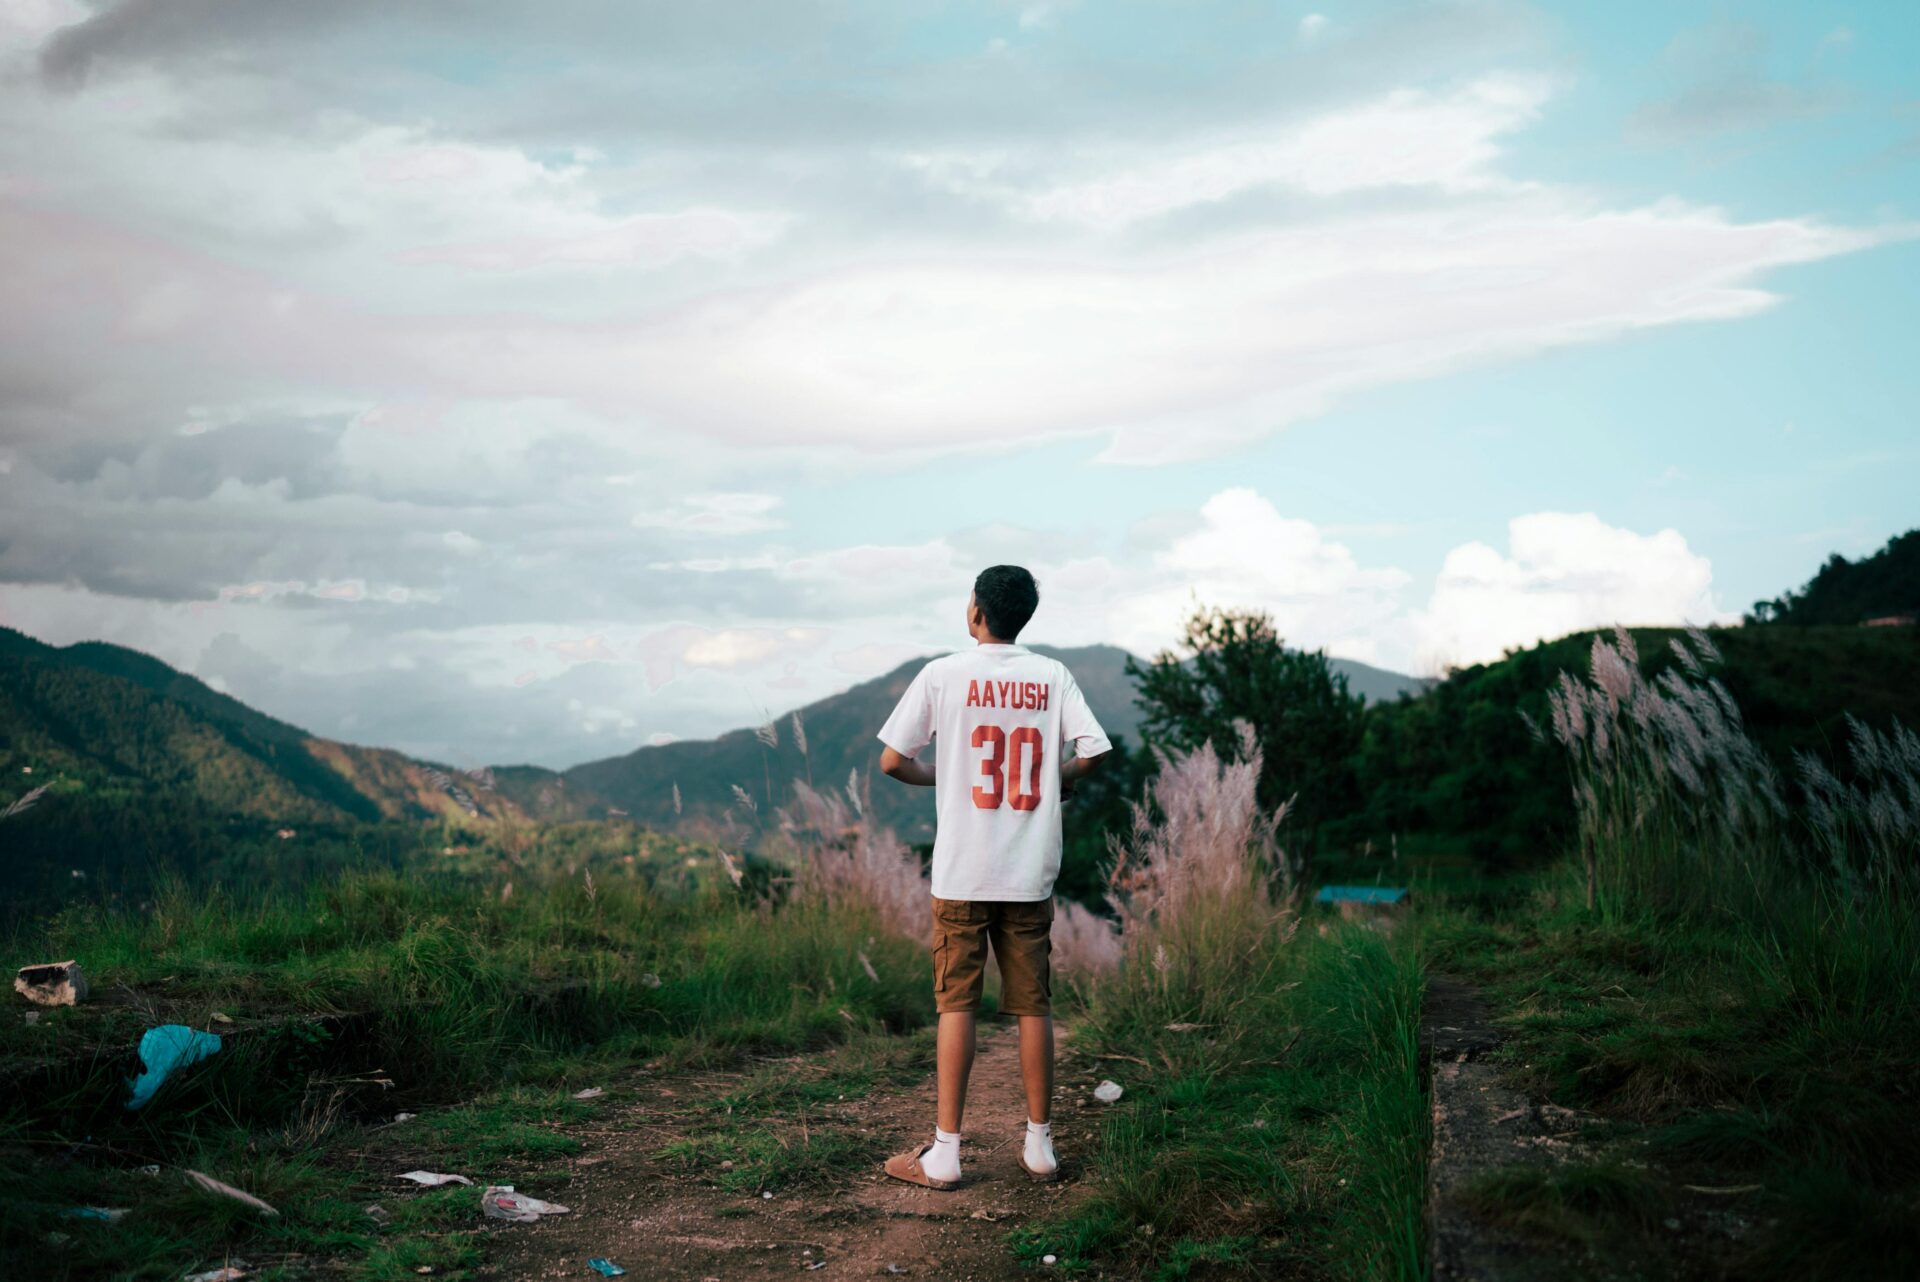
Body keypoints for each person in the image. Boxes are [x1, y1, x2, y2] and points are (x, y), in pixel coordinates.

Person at [873, 564, 1111, 1189]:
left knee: (957, 1004)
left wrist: (940, 778)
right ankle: (1039, 1147)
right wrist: (1054, 780)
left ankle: (946, 1153)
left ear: (974, 609)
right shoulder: (1052, 676)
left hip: (962, 871)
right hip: (1029, 871)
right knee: (1034, 1007)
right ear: (1025, 615)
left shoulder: (943, 674)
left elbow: (893, 760)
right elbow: (1093, 751)